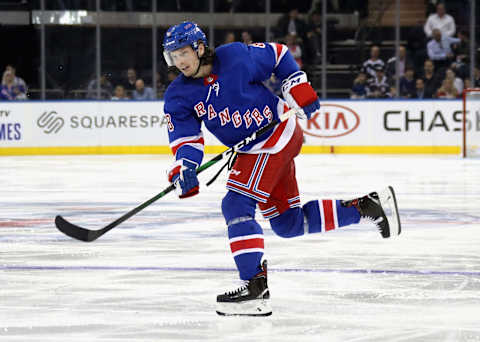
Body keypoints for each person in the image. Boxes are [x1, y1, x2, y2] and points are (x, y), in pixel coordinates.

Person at [162, 21, 401, 317]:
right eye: (172, 55)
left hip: (276, 134)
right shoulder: (177, 95)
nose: (179, 61)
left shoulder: (234, 56)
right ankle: (369, 207)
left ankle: (254, 288)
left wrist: (297, 87)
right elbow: (186, 138)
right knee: (287, 224)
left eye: (183, 52)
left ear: (199, 47)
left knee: (236, 202)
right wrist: (184, 167)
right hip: (255, 148)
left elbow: (278, 55)